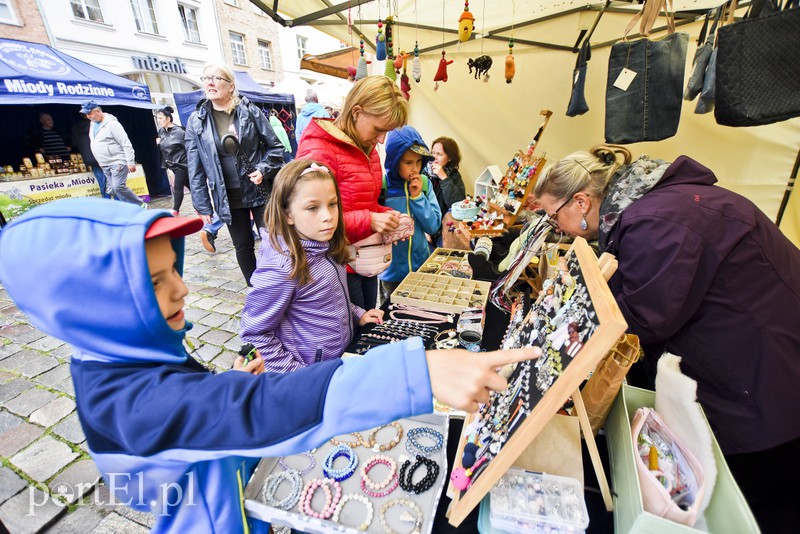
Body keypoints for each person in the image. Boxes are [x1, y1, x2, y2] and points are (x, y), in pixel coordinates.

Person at [0, 197, 539, 533]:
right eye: (156, 283)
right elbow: (250, 410)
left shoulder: (119, 353)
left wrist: (227, 382)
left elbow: (200, 407)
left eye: (174, 270)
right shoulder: (127, 403)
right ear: (93, 306)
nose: (182, 288)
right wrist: (418, 372)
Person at [534, 144, 800, 533]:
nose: (554, 226)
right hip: (760, 360)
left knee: (762, 502)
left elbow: (645, 315)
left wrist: (571, 328)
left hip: (767, 379)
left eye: (553, 215)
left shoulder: (655, 221)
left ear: (581, 202)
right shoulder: (652, 208)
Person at [240, 159, 384, 372]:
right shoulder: (281, 268)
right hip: (312, 374)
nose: (328, 217)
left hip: (338, 363)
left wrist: (357, 313)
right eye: (312, 208)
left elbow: (331, 298)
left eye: (332, 204)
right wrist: (301, 377)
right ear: (288, 214)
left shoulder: (327, 246)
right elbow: (255, 334)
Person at [296, 76, 406, 311]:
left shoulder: (367, 147)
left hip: (363, 259)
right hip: (334, 263)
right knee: (351, 326)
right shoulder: (319, 149)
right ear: (357, 112)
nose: (381, 140)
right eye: (378, 130)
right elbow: (308, 219)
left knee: (368, 320)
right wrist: (370, 220)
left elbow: (364, 202)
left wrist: (387, 216)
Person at [185, 63, 285, 286]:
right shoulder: (196, 120)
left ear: (231, 86)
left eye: (216, 78)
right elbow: (195, 165)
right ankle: (256, 289)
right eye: (206, 78)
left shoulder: (249, 111)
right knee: (242, 245)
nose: (210, 82)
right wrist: (202, 204)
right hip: (227, 195)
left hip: (259, 190)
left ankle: (278, 287)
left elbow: (276, 149)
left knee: (272, 242)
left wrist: (263, 169)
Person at [378, 126, 442, 301]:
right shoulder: (382, 187)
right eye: (408, 162)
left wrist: (418, 198)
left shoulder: (425, 184)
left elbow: (433, 226)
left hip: (421, 268)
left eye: (419, 161)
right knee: (392, 312)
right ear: (394, 160)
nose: (415, 168)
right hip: (390, 272)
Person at [81, 100, 145, 207]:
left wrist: (130, 162)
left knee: (118, 187)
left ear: (97, 111)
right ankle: (129, 208)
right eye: (86, 114)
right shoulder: (92, 124)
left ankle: (139, 204)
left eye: (90, 113)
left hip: (117, 161)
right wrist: (100, 162)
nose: (88, 116)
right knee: (114, 190)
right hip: (104, 163)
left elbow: (126, 143)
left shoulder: (112, 124)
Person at [155, 106, 190, 216]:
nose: (158, 120)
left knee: (178, 186)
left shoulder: (179, 132)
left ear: (168, 118)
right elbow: (164, 148)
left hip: (182, 163)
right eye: (157, 118)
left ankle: (175, 210)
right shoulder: (161, 131)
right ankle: (202, 203)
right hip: (172, 164)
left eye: (160, 118)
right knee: (191, 186)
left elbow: (187, 147)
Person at [71, 116, 109, 199]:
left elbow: (74, 144)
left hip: (89, 159)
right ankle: (116, 202)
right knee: (112, 181)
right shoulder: (96, 125)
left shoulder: (75, 128)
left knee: (101, 182)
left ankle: (106, 200)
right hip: (102, 156)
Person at [429, 136, 467, 214]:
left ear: (449, 158)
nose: (434, 157)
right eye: (433, 153)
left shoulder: (454, 175)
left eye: (439, 154)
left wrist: (444, 178)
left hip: (445, 220)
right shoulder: (425, 172)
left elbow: (459, 206)